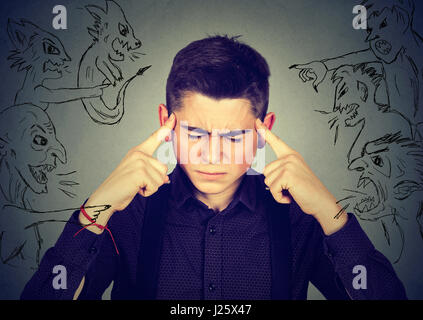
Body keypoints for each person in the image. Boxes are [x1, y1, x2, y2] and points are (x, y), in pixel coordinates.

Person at [21, 35, 407, 300]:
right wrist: (97, 208)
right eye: (196, 132)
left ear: (263, 131)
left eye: (234, 137)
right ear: (166, 123)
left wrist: (329, 211)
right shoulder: (127, 213)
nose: (213, 155)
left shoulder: (300, 219)